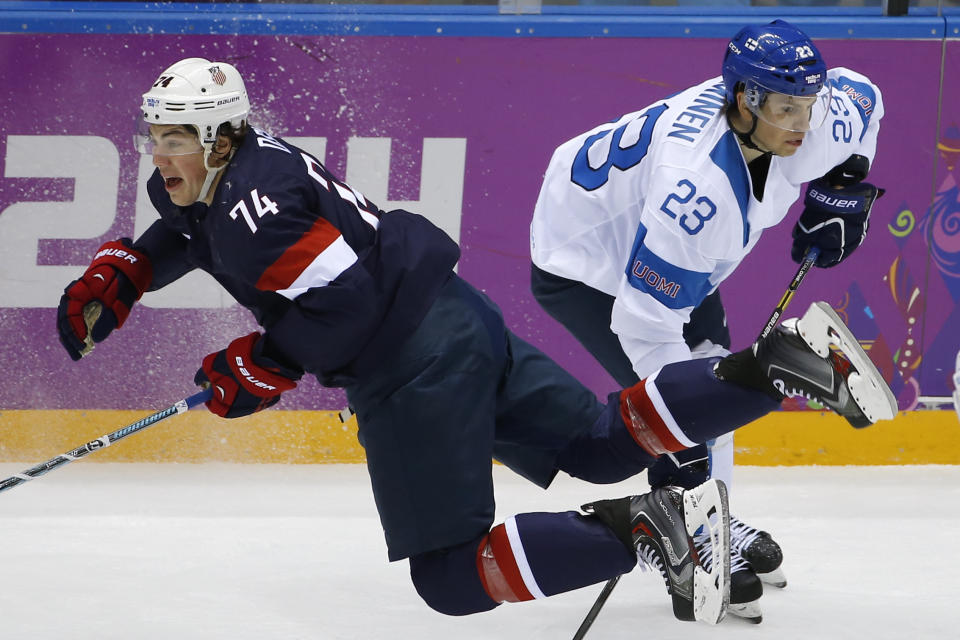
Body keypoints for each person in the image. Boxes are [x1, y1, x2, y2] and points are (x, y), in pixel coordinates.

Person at [55, 56, 894, 628]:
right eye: (155, 135)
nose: (158, 153)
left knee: (451, 578)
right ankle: (771, 367)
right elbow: (186, 227)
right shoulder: (242, 171)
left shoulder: (249, 215)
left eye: (173, 138)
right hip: (457, 317)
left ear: (217, 139)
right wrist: (126, 267)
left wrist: (259, 365)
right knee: (602, 447)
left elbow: (342, 308)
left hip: (410, 367)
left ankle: (643, 529)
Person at [530, 19, 883, 622]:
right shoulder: (693, 194)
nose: (802, 122)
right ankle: (683, 536)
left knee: (710, 381)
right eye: (785, 108)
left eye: (807, 104)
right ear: (744, 99)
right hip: (585, 259)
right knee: (692, 398)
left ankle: (709, 516)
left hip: (666, 245)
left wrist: (842, 184)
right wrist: (683, 433)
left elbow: (865, 96)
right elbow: (644, 327)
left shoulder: (809, 117)